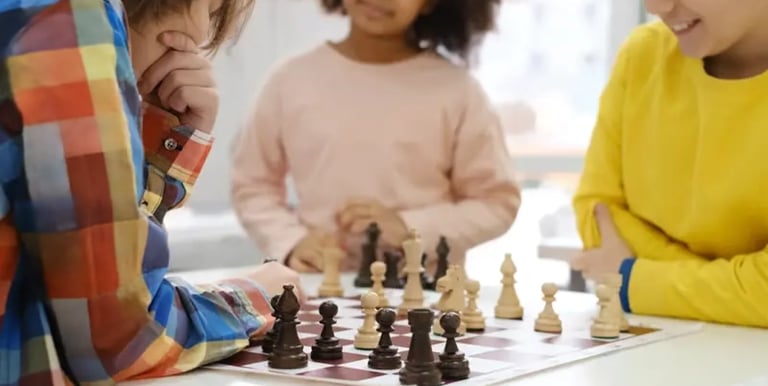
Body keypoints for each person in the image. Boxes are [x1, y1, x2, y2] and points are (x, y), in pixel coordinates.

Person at [0, 0, 303, 384]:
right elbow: (115, 343)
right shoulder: (69, 16)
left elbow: (92, 284)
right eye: (211, 11)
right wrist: (256, 295)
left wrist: (158, 135)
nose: (202, 36)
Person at [231, 0, 521, 273]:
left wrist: (409, 228)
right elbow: (252, 186)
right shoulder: (289, 80)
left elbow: (497, 202)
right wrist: (291, 242)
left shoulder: (458, 90)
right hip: (320, 290)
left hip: (428, 296)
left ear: (431, 2)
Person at [570, 0, 768, 328]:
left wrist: (631, 277)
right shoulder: (642, 56)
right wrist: (737, 289)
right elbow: (597, 213)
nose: (655, 6)